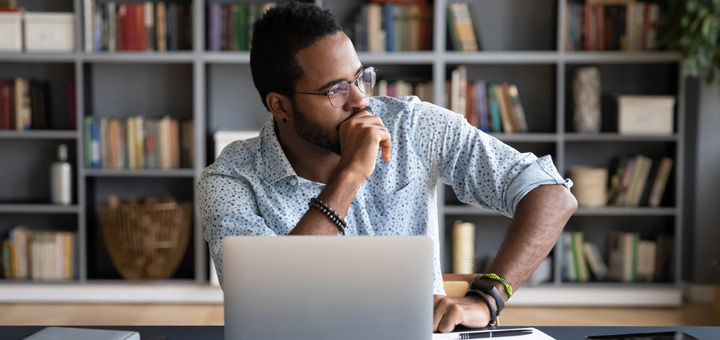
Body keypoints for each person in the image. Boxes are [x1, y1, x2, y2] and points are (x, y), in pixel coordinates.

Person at [197, 1, 577, 333]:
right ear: (279, 105)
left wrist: (488, 297)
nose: (361, 101)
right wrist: (350, 175)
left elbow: (552, 194)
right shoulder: (229, 181)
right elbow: (265, 303)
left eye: (360, 77)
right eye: (335, 90)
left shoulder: (411, 125)